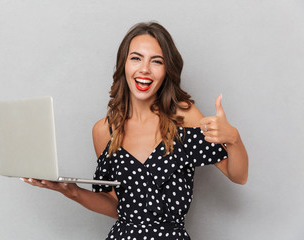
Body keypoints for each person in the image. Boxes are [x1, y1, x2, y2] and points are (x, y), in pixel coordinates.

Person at [22, 22, 248, 240]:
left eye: (156, 61)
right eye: (136, 58)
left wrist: (233, 138)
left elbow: (238, 175)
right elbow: (115, 206)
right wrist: (71, 191)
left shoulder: (184, 116)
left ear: (166, 69)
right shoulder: (104, 131)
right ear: (124, 64)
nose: (145, 69)